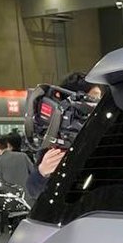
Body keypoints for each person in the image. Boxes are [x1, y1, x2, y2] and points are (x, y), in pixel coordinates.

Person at [27, 71, 104, 202]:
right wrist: (42, 172)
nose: (98, 105)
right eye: (93, 98)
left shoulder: (103, 136)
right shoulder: (55, 144)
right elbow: (33, 191)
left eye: (100, 98)